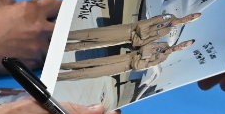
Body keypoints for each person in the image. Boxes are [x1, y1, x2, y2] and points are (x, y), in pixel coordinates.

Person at [58, 37, 196, 77]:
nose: (182, 45)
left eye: (184, 46)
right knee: (90, 62)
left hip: (124, 67)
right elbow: (146, 47)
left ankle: (60, 77)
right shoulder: (163, 44)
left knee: (89, 73)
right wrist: (145, 57)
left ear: (182, 49)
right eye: (183, 43)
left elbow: (140, 67)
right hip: (125, 57)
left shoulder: (162, 59)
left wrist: (142, 60)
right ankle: (61, 66)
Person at [65, 11, 201, 49]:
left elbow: (142, 43)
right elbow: (144, 25)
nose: (190, 17)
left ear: (190, 22)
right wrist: (142, 36)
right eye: (193, 14)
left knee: (85, 46)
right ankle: (57, 36)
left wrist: (141, 39)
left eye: (193, 18)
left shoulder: (167, 32)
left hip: (126, 39)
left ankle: (61, 49)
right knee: (88, 35)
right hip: (126, 31)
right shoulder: (168, 17)